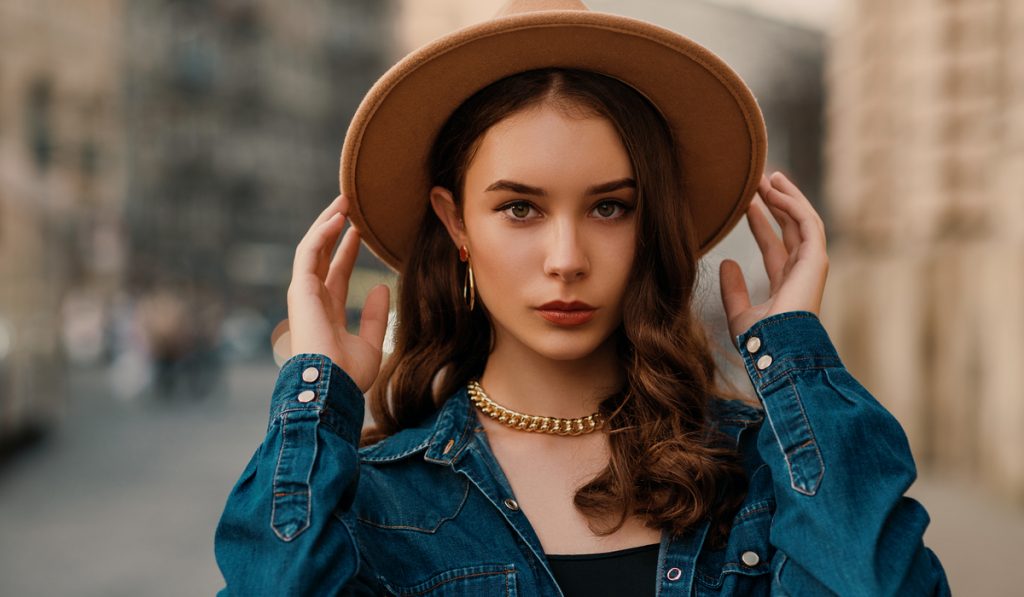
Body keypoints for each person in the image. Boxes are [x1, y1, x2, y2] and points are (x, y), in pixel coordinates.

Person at [214, 2, 951, 595]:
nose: (566, 261)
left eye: (609, 208)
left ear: (652, 221)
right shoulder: (371, 503)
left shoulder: (762, 474)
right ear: (454, 220)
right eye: (520, 209)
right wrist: (317, 396)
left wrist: (795, 358)